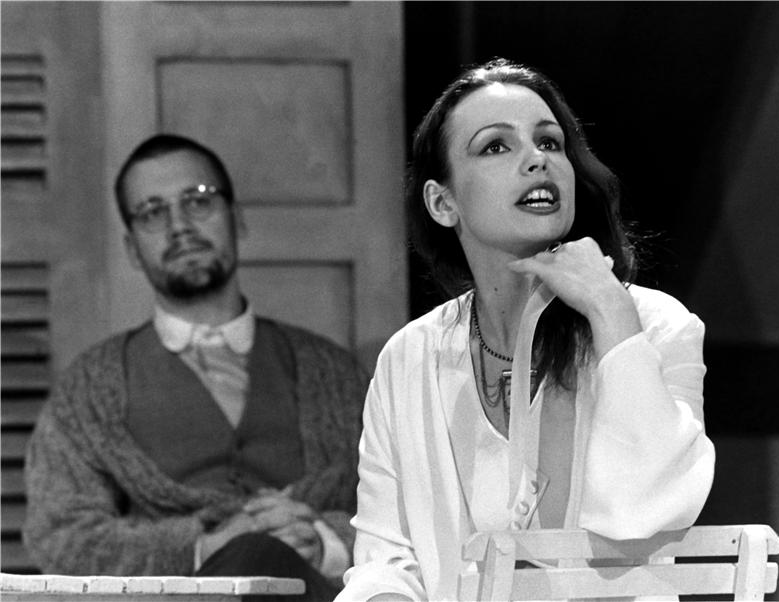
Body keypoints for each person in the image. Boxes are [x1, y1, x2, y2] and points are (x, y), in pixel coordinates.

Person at [336, 59, 716, 601]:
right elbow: (385, 559)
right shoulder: (410, 356)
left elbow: (647, 509)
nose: (537, 159)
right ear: (443, 203)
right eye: (496, 146)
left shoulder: (653, 324)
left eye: (550, 142)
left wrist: (610, 312)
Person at [23, 134, 369, 602]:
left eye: (198, 200)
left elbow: (405, 512)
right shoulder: (88, 388)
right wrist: (202, 548)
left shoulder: (335, 374)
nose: (179, 226)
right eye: (152, 212)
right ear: (131, 248)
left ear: (236, 218)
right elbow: (62, 535)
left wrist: (323, 542)